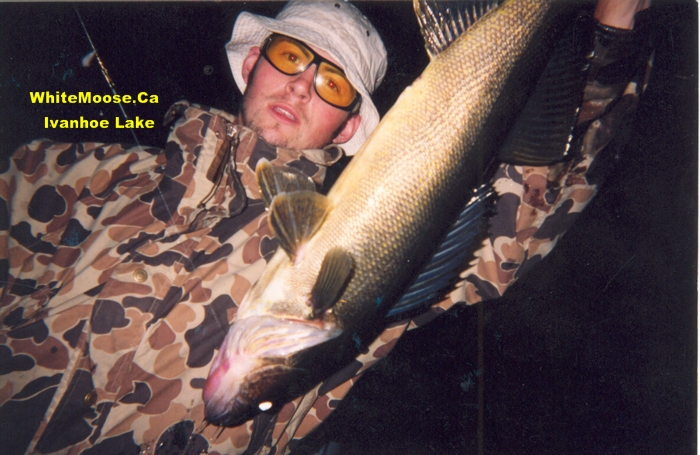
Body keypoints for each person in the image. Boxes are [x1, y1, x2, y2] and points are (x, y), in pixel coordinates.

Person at [0, 1, 650, 454]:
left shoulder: (377, 292)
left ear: (348, 127)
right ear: (252, 64)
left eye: (333, 83)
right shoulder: (94, 177)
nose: (302, 85)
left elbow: (528, 204)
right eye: (290, 55)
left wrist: (611, 32)